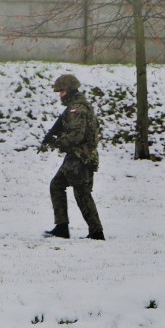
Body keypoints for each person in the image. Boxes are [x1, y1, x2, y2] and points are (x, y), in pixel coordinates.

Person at [40, 74, 105, 240]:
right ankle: (62, 227)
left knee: (82, 193)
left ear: (69, 90)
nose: (60, 95)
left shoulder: (77, 109)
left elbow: (77, 135)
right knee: (57, 185)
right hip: (75, 157)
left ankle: (96, 232)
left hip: (80, 157)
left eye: (61, 91)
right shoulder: (74, 107)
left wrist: (57, 142)